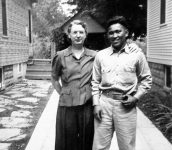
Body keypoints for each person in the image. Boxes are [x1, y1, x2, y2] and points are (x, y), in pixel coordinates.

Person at [51, 20, 141, 150]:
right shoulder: (60, 56)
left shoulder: (95, 55)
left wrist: (133, 46)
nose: (78, 35)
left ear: (85, 35)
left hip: (87, 104)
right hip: (67, 106)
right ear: (69, 35)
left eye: (81, 32)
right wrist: (64, 93)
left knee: (88, 139)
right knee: (67, 140)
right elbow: (54, 79)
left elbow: (113, 57)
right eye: (74, 32)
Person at [92, 16, 152, 150]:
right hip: (104, 104)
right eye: (111, 32)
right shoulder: (100, 55)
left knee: (127, 147)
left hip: (126, 107)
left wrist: (135, 97)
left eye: (118, 31)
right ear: (107, 35)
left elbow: (147, 79)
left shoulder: (137, 55)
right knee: (99, 146)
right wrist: (96, 104)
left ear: (126, 32)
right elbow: (95, 81)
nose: (114, 35)